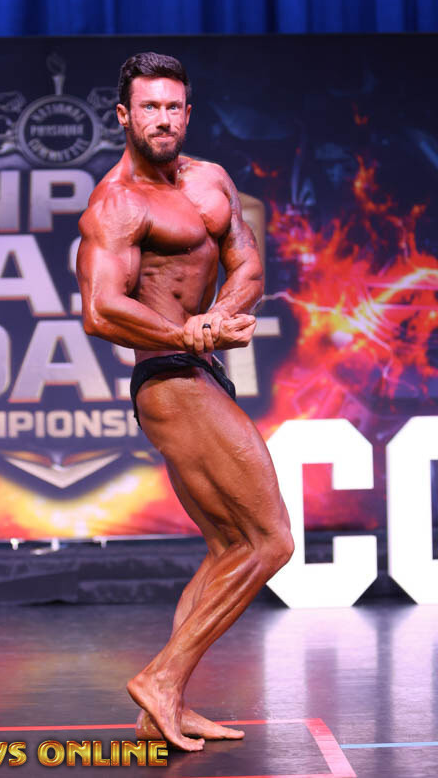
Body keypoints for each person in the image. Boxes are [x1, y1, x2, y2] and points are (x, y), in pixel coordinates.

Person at [77, 52, 294, 752]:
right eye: (149, 107)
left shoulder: (211, 180)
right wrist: (184, 332)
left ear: (188, 113)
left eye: (173, 107)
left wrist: (219, 316)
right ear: (124, 116)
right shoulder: (117, 203)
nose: (162, 119)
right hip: (170, 378)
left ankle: (162, 707)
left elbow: (248, 263)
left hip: (199, 366)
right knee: (271, 541)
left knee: (229, 546)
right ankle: (162, 679)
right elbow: (100, 309)